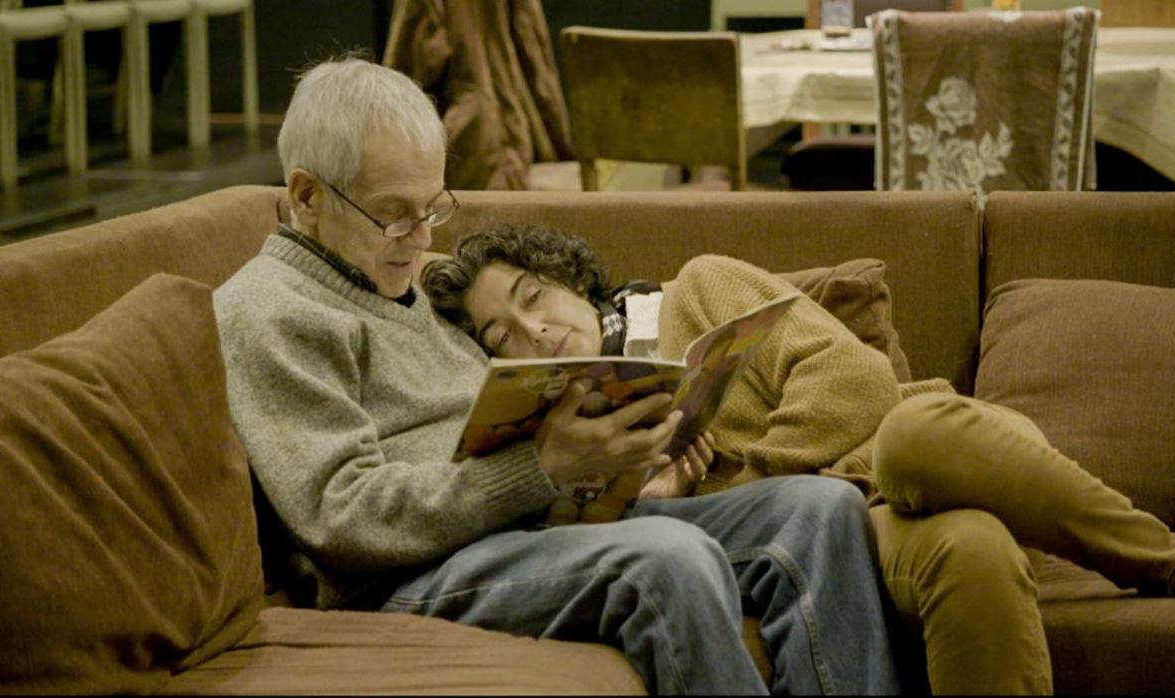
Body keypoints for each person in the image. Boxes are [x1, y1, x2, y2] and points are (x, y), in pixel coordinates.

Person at [213, 56, 901, 695]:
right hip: (408, 575)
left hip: (526, 529)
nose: (423, 239)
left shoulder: (394, 279)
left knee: (818, 511)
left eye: (433, 208)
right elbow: (343, 519)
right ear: (306, 195)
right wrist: (540, 467)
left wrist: (609, 453)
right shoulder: (267, 311)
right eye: (395, 214)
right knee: (668, 558)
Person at [421, 221, 1175, 695]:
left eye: (531, 299)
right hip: (847, 533)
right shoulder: (550, 435)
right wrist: (660, 495)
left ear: (568, 276)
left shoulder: (696, 292)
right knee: (974, 553)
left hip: (908, 467)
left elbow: (855, 380)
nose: (533, 331)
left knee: (917, 435)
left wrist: (748, 473)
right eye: (502, 336)